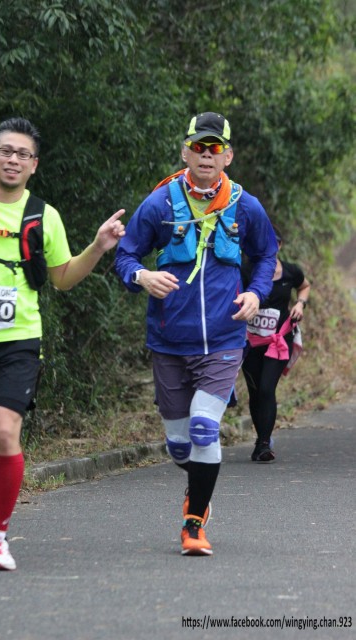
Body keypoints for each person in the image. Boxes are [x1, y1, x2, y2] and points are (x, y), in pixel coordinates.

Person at [0, 117, 125, 571]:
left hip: (19, 342)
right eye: (6, 151)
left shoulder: (44, 215)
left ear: (34, 165)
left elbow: (63, 278)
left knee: (5, 431)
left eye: (23, 154)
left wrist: (97, 247)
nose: (13, 159)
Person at [115, 111, 278, 556]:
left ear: (228, 156)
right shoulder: (160, 204)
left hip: (224, 340)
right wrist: (142, 277)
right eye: (198, 147)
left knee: (205, 429)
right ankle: (198, 487)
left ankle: (194, 522)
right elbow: (126, 256)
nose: (206, 155)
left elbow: (267, 254)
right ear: (185, 152)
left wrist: (256, 293)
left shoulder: (245, 205)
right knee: (179, 446)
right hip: (169, 341)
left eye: (215, 148)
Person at [241, 229, 311, 462]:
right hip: (251, 342)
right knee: (255, 392)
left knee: (266, 388)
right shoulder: (246, 271)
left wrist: (300, 304)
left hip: (279, 340)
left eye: (274, 243)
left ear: (280, 245)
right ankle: (261, 439)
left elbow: (305, 286)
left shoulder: (291, 271)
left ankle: (263, 444)